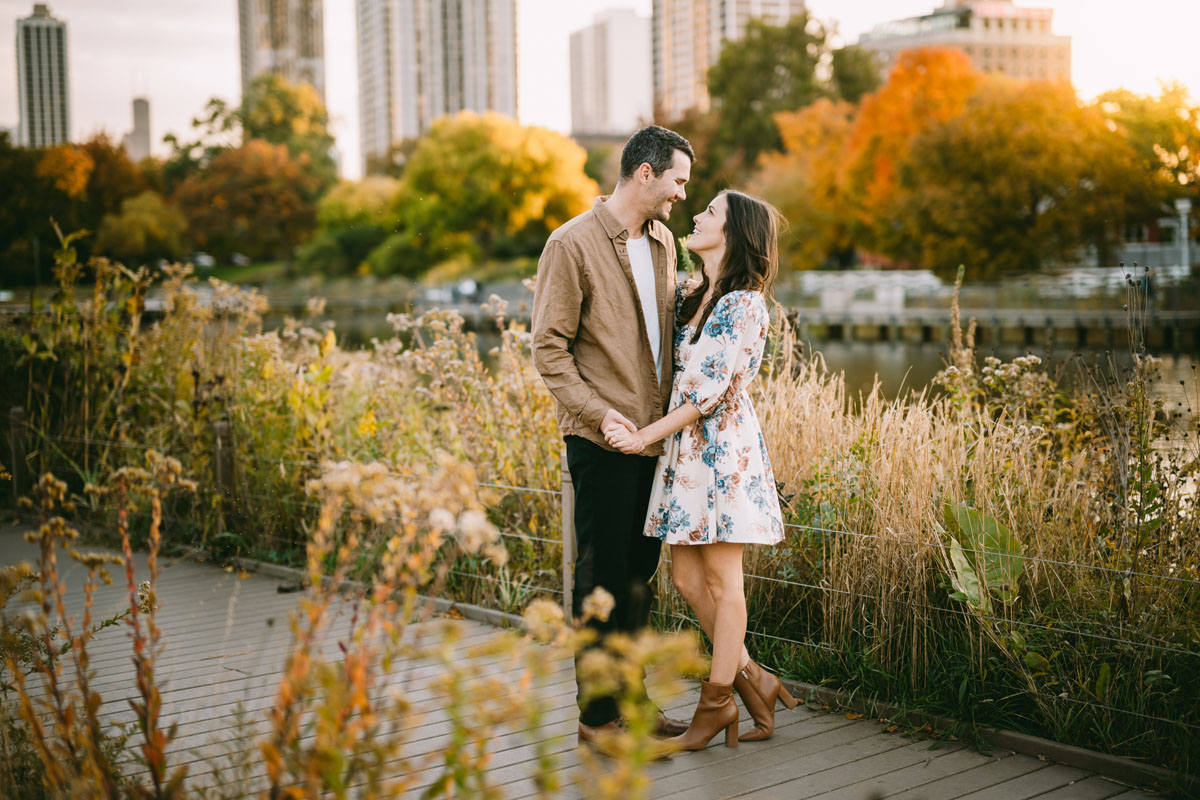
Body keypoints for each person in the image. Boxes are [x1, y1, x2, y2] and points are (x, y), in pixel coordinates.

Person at [606, 190, 793, 751]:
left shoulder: (744, 305)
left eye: (709, 212)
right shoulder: (695, 295)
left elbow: (705, 396)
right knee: (687, 580)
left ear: (734, 234)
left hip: (721, 454)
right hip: (688, 459)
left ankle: (716, 705)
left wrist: (641, 437)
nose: (696, 216)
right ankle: (753, 677)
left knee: (722, 582)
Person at [531, 125, 695, 749]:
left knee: (636, 580)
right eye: (678, 180)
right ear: (646, 173)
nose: (683, 193)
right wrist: (600, 415)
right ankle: (598, 721)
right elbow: (549, 350)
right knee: (600, 580)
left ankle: (632, 701)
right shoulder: (569, 244)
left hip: (652, 440)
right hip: (601, 441)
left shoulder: (663, 241)